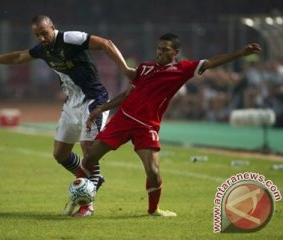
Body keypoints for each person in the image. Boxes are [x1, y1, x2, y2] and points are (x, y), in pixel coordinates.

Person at [0, 15, 133, 217]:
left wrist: (125, 69)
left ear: (53, 27)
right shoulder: (43, 49)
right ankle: (94, 178)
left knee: (89, 153)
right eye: (37, 35)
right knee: (60, 154)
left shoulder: (70, 38)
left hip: (94, 100)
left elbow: (106, 44)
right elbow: (19, 56)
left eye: (44, 32)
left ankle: (86, 204)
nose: (42, 38)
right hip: (71, 102)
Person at [78, 33, 261, 217]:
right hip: (122, 120)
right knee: (90, 158)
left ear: (175, 52)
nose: (160, 53)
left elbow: (211, 62)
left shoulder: (182, 69)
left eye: (165, 50)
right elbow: (126, 95)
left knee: (153, 172)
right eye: (159, 49)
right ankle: (84, 204)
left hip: (146, 126)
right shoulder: (144, 68)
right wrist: (101, 109)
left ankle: (153, 210)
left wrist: (240, 53)